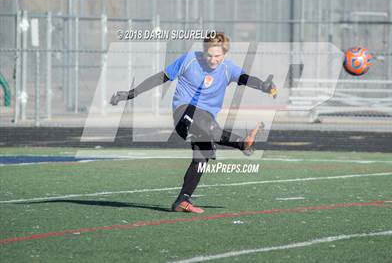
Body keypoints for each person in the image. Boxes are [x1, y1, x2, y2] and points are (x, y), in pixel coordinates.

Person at [110, 32, 277, 213]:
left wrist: (263, 85)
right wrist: (131, 93)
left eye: (218, 56)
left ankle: (182, 200)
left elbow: (245, 79)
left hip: (206, 120)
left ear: (225, 54)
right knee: (210, 127)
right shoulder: (189, 59)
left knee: (202, 157)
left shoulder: (228, 68)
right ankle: (242, 143)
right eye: (209, 55)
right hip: (184, 112)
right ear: (203, 51)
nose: (213, 60)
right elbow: (160, 78)